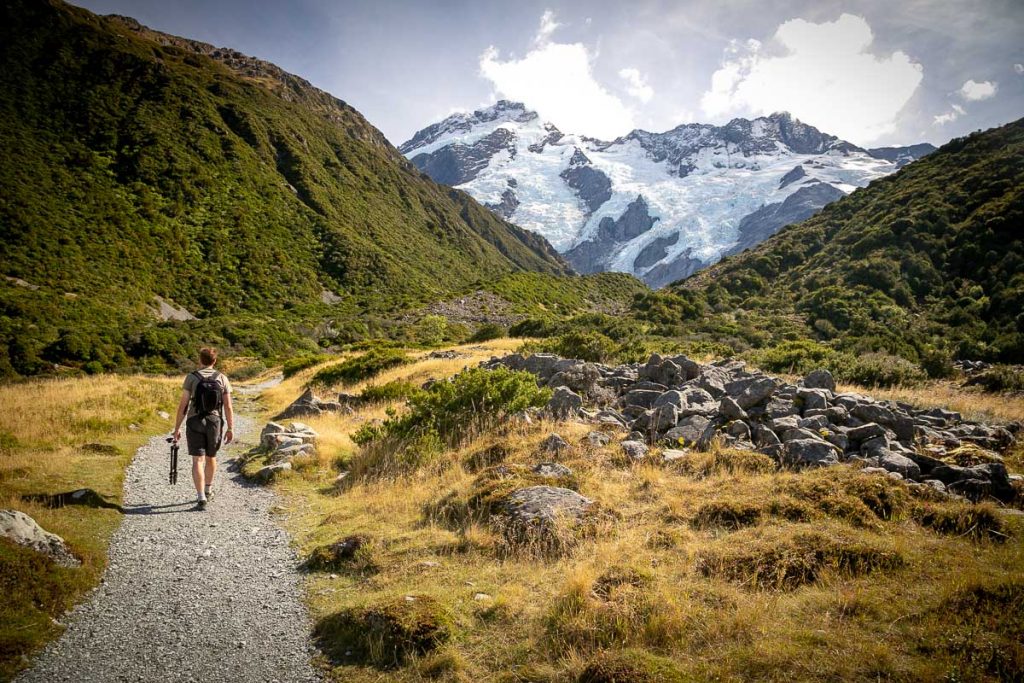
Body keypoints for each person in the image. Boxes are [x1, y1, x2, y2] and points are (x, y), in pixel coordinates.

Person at [172, 347, 234, 510]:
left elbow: (183, 405)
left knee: (197, 460)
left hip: (194, 421)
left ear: (200, 360)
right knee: (211, 457)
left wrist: (177, 428)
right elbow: (228, 406)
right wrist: (230, 428)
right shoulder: (222, 378)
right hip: (214, 422)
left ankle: (200, 496)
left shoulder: (191, 378)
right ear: (215, 361)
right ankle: (208, 489)